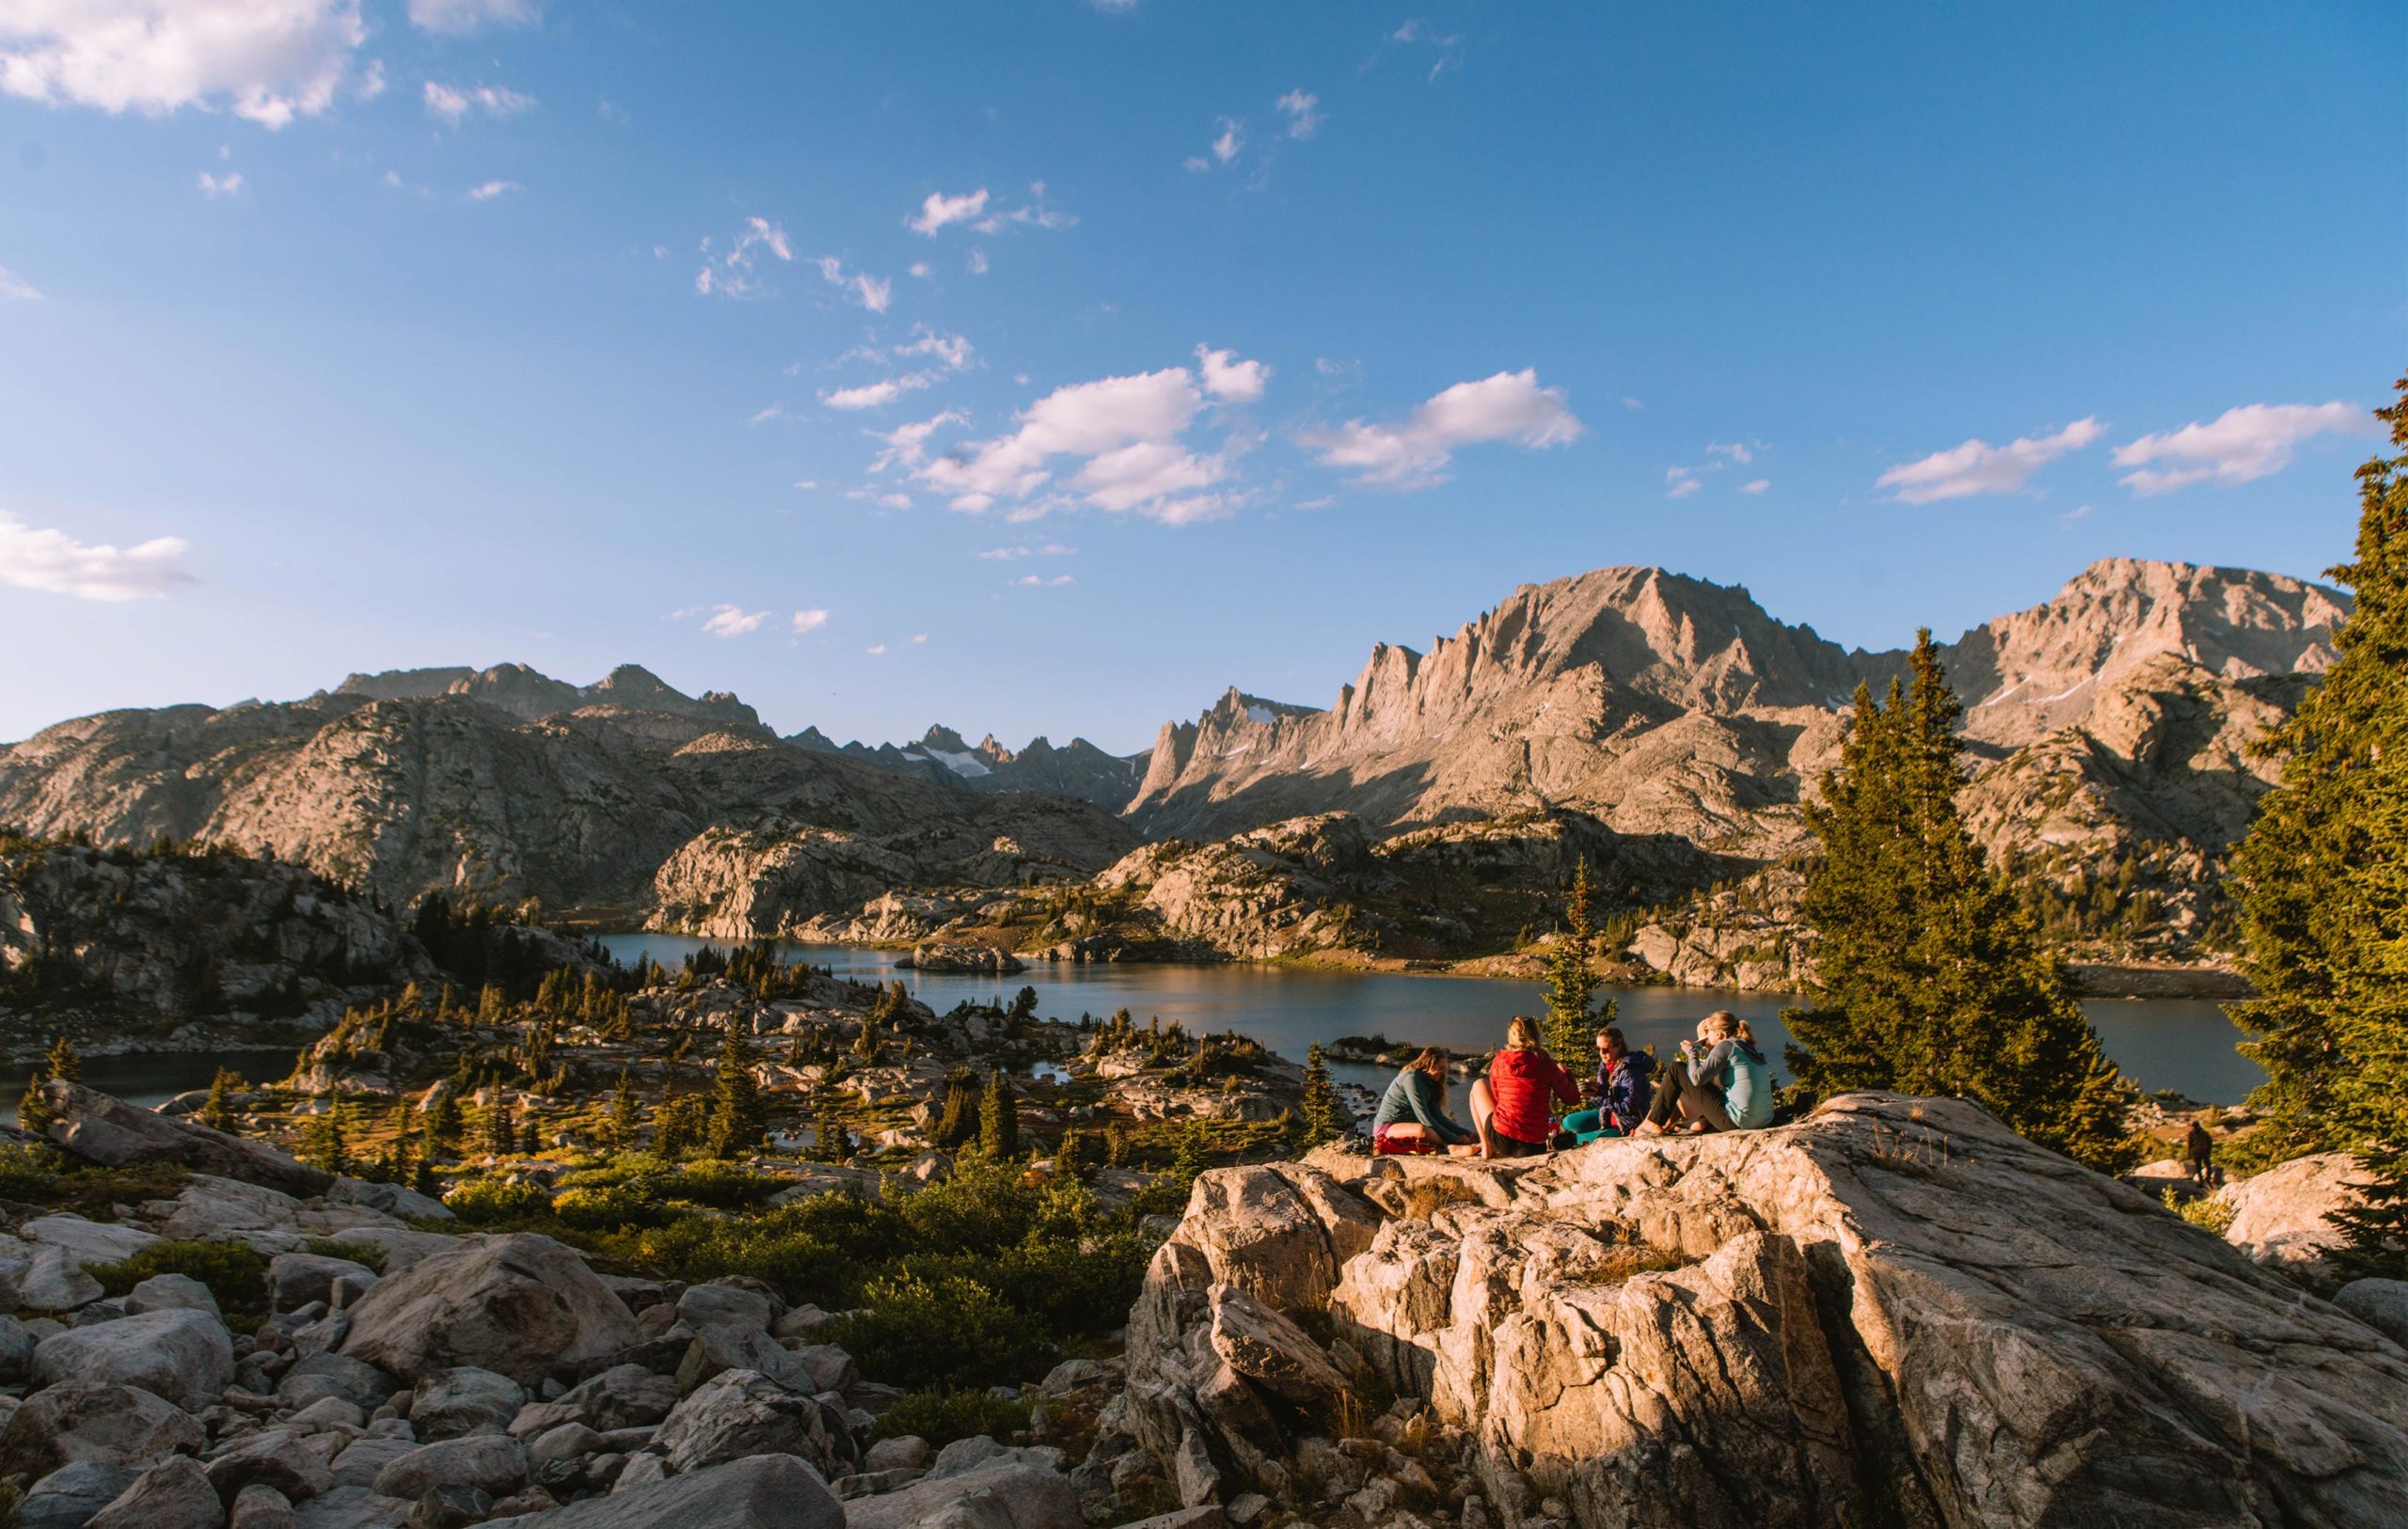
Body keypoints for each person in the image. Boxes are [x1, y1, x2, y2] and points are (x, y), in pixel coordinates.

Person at [1637, 1011, 1772, 1134]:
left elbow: (1697, 1079)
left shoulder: (1725, 1046)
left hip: (1738, 1121)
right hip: (1764, 1119)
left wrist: (1691, 1053)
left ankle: (1653, 1122)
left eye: (1708, 1034)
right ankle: (1700, 1122)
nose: (1705, 1044)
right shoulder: (1747, 1047)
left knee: (1676, 1069)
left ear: (1718, 1034)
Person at [1469, 1016, 1580, 1159]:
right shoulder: (1546, 1064)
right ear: (1535, 1035)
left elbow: (1497, 1099)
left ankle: (1486, 1146)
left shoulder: (1500, 1061)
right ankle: (1487, 1146)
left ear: (1511, 1036)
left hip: (1503, 1140)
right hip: (1535, 1145)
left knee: (1478, 1085)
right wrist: (1565, 1073)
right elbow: (1573, 1099)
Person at [1371, 1048, 1480, 1157]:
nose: (1443, 1073)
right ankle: (1450, 1147)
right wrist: (1454, 1138)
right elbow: (1423, 1116)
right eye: (1440, 1068)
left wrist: (1467, 1133)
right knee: (1422, 1130)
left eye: (1445, 1069)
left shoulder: (1431, 1083)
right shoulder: (1412, 1079)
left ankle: (1456, 1144)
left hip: (1408, 1126)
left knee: (1450, 1123)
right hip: (1387, 1129)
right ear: (1429, 1065)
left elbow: (1438, 1117)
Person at [1561, 1026, 1655, 1143]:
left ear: (1619, 1046)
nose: (1601, 1053)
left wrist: (1600, 1095)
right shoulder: (1605, 1066)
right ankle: (1573, 1139)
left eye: (1605, 1049)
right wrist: (1593, 1092)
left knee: (1595, 1139)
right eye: (1598, 1049)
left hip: (1629, 1123)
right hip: (1608, 1115)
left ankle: (1572, 1140)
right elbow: (1604, 1100)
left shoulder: (1630, 1072)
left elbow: (1628, 1108)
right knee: (1569, 1122)